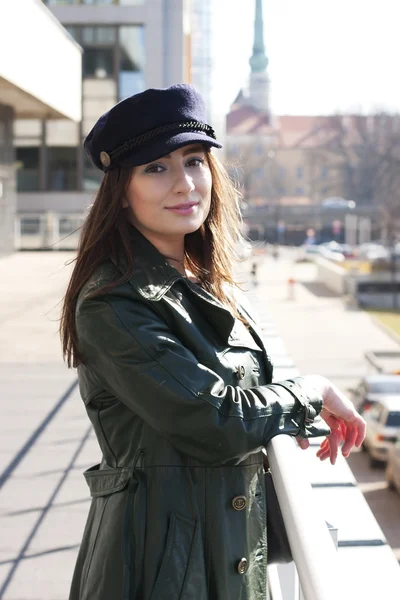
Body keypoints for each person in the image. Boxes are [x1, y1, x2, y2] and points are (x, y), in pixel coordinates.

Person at [60, 84, 366, 600]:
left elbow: (232, 393)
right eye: (156, 168)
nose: (184, 184)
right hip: (154, 569)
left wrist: (296, 409)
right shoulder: (114, 303)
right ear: (122, 188)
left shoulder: (207, 282)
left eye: (195, 161)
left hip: (228, 559)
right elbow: (216, 421)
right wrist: (311, 390)